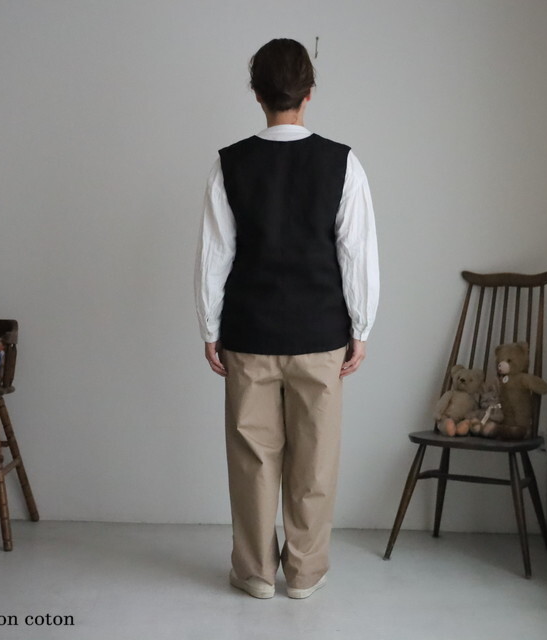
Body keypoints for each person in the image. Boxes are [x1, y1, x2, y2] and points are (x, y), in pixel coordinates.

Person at [194, 38, 379, 599]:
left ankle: (255, 574)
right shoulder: (342, 162)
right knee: (315, 462)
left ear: (257, 94)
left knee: (253, 461)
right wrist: (361, 328)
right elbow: (356, 254)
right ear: (309, 92)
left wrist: (209, 328)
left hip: (248, 335)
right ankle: (304, 573)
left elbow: (215, 255)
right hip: (320, 336)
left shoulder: (230, 163)